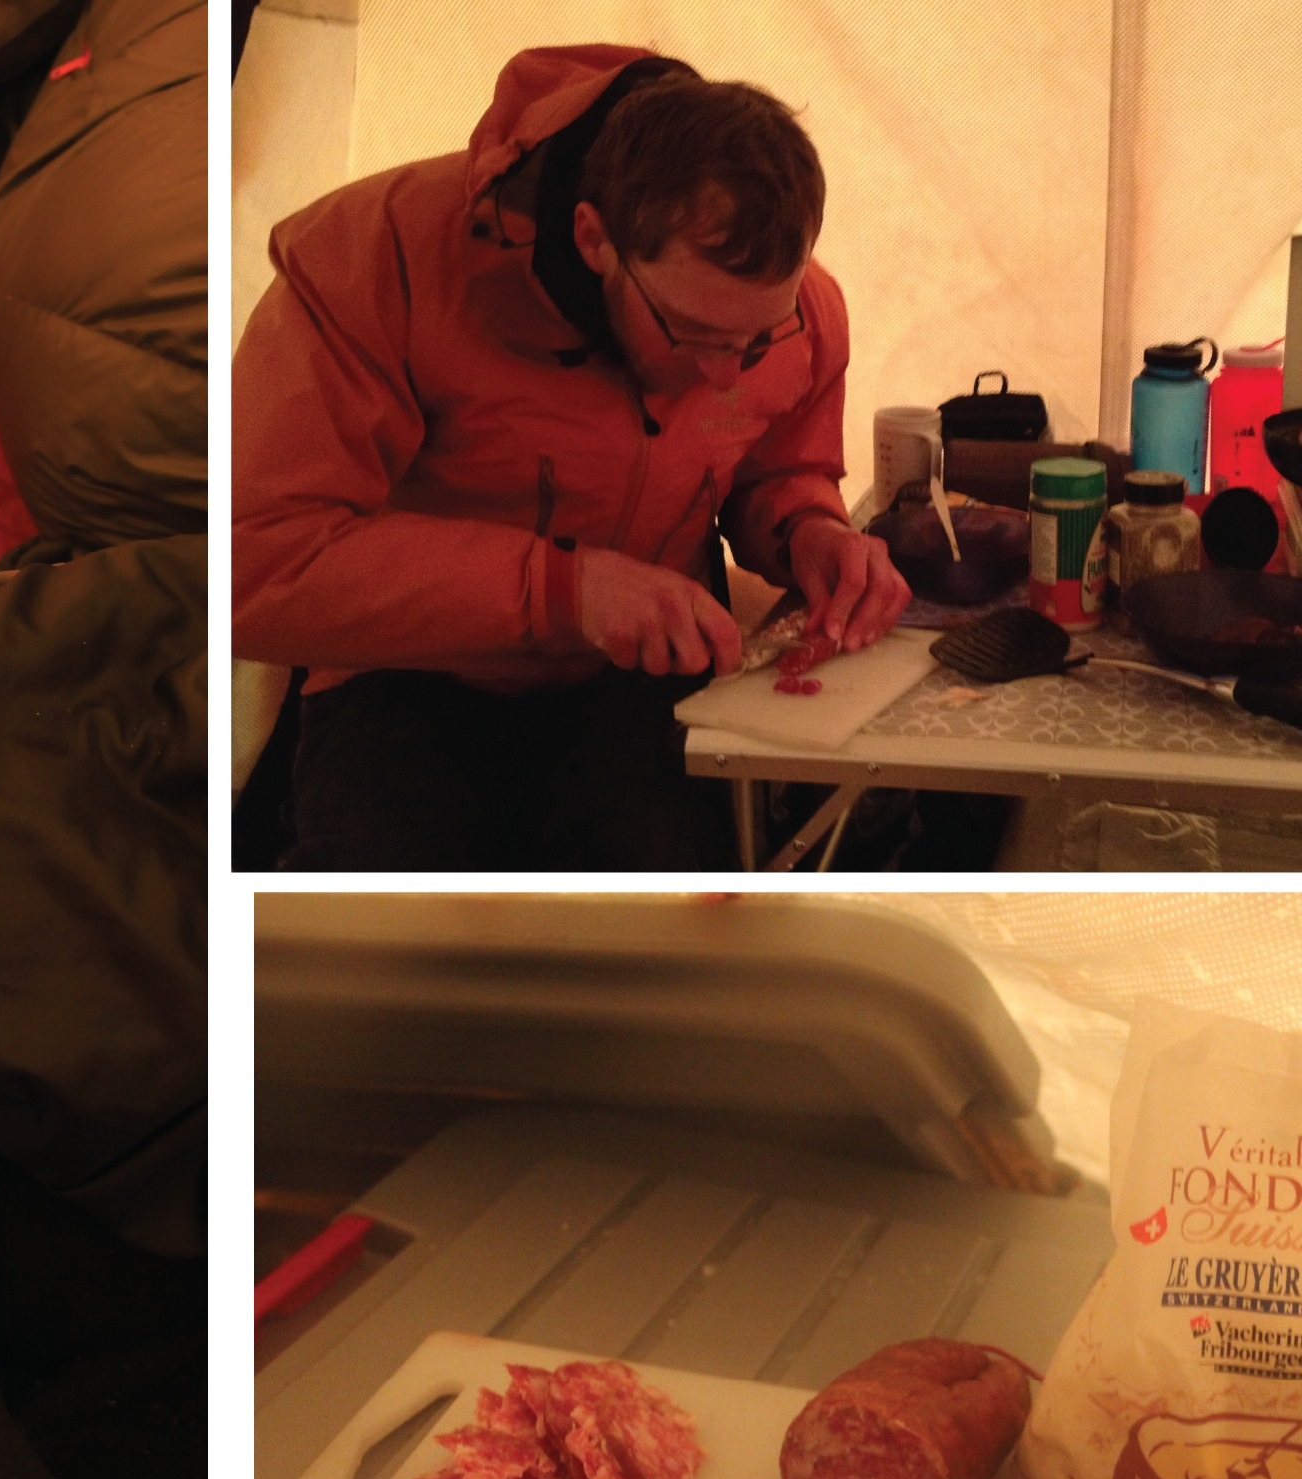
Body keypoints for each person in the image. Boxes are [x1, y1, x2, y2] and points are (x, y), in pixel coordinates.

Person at [235, 44, 909, 870]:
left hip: (641, 678)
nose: (725, 372)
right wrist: (566, 588)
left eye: (755, 341)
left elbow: (775, 463)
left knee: (674, 945)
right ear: (595, 238)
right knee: (391, 956)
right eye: (691, 336)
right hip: (409, 675)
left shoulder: (799, 311)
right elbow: (255, 564)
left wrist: (809, 530)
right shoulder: (375, 258)